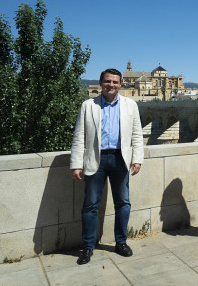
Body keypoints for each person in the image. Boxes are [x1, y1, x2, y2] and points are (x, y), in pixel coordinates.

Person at [70, 68, 144, 265]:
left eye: (115, 82)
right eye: (107, 81)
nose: (111, 85)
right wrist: (76, 163)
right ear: (101, 83)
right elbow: (79, 137)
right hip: (97, 159)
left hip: (121, 159)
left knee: (123, 203)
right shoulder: (88, 105)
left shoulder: (130, 105)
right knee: (91, 205)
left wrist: (137, 159)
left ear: (121, 84)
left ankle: (121, 242)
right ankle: (88, 246)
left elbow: (137, 134)